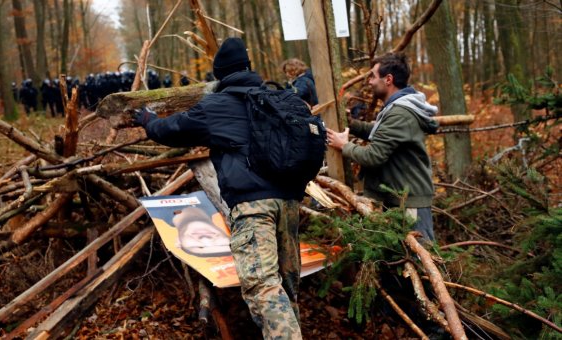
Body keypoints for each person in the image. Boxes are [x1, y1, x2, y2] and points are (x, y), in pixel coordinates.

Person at [135, 37, 305, 339]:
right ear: (249, 67)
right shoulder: (274, 99)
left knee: (263, 286)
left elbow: (172, 130)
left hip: (254, 208)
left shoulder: (216, 105)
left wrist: (148, 120)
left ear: (219, 74)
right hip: (290, 202)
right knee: (286, 283)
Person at [326, 52, 439, 242]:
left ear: (388, 79)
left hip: (408, 201)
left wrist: (344, 145)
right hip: (400, 196)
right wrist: (352, 125)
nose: (369, 81)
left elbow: (373, 155)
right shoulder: (398, 108)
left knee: (418, 260)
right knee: (399, 260)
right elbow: (382, 134)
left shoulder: (399, 113)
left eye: (373, 76)